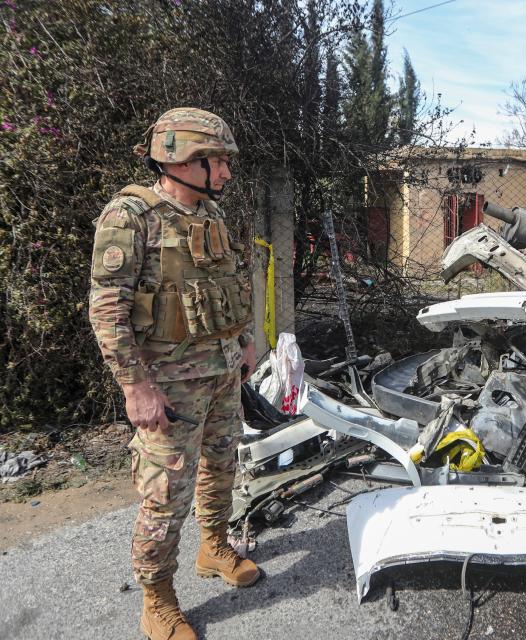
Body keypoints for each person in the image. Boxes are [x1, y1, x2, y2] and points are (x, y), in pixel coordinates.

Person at [88, 108, 259, 640]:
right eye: (217, 162)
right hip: (168, 385)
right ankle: (157, 598)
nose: (226, 173)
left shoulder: (211, 214)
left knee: (222, 465)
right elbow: (107, 309)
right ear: (180, 158)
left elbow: (231, 281)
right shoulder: (130, 217)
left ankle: (214, 546)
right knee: (165, 492)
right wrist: (134, 384)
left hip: (223, 370)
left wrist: (246, 339)